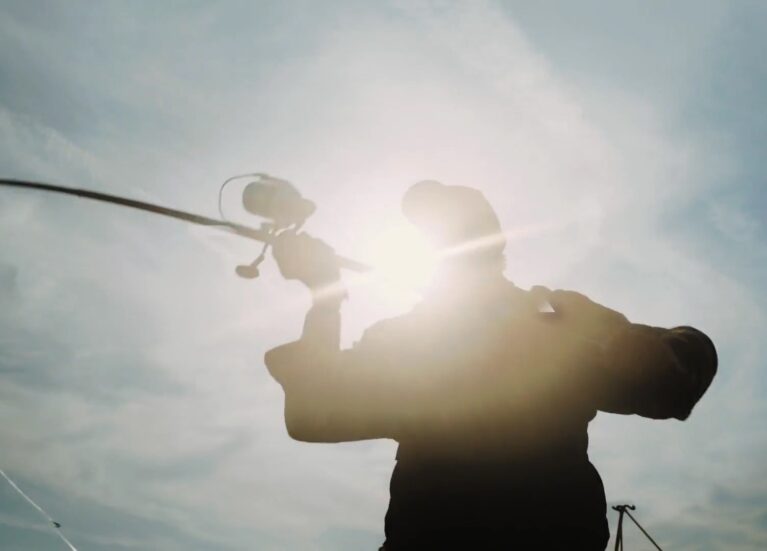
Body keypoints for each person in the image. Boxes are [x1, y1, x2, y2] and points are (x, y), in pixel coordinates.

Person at [264, 181, 718, 550]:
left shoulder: (552, 335)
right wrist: (324, 292)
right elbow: (313, 416)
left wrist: (606, 328)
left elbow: (683, 374)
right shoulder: (410, 341)